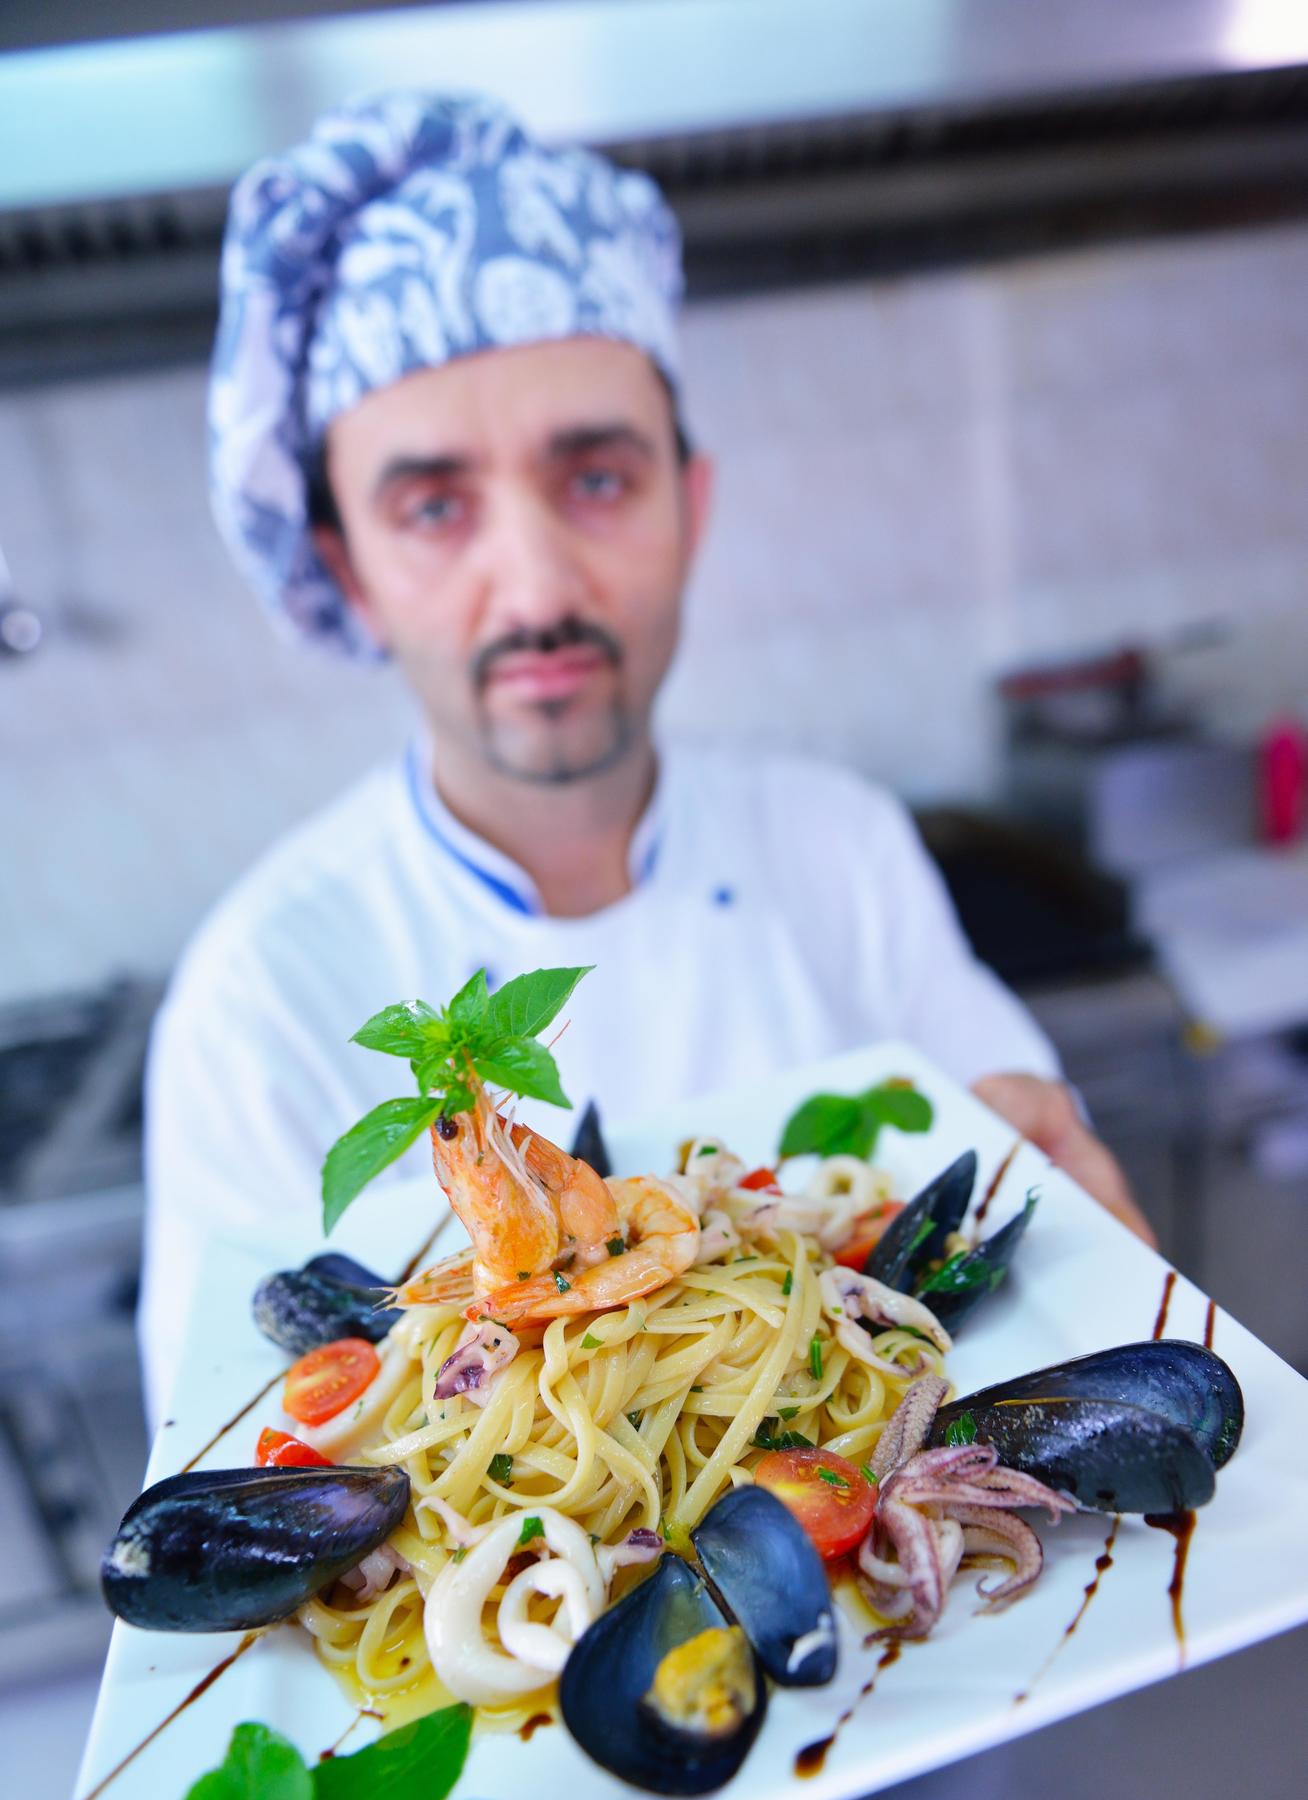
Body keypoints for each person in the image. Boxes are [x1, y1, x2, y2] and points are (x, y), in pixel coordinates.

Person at [138, 89, 1148, 1422]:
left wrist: (1087, 1215)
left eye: (597, 478)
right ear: (349, 573)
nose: (537, 583)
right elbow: (230, 1445)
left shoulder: (837, 844)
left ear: (693, 501)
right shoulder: (259, 999)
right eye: (434, 506)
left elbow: (1050, 1240)